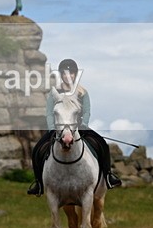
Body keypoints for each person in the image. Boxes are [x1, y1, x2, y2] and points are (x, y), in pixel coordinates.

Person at [27, 59, 122, 196]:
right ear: (61, 75)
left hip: (79, 127)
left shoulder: (82, 92)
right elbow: (49, 113)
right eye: (65, 74)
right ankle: (39, 183)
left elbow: (87, 111)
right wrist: (52, 128)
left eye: (71, 73)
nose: (68, 76)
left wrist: (84, 124)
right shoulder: (54, 93)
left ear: (75, 74)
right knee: (38, 149)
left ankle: (108, 176)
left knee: (102, 144)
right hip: (58, 129)